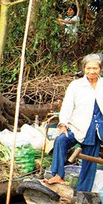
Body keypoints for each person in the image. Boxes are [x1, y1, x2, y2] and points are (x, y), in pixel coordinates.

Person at [44, 54, 103, 191]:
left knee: (89, 162)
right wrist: (63, 123)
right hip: (78, 126)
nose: (91, 71)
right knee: (60, 140)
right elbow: (67, 106)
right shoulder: (76, 85)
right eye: (88, 68)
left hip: (96, 130)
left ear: (100, 69)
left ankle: (83, 191)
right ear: (84, 68)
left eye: (95, 68)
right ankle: (58, 175)